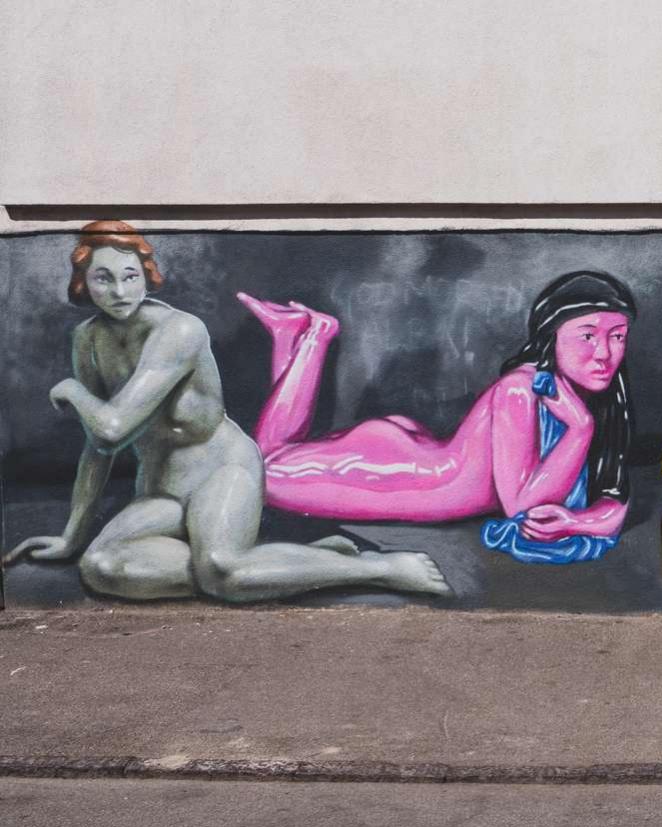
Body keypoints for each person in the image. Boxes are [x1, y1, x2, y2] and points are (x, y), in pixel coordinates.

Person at [2, 221, 450, 602]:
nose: (120, 290)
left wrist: (72, 392)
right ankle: (298, 564)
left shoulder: (178, 330)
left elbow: (113, 429)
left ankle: (382, 568)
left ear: (146, 276)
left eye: (130, 276)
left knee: (221, 567)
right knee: (101, 566)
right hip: (161, 489)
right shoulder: (88, 340)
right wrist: (71, 538)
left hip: (221, 472)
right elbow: (96, 449)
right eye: (104, 278)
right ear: (84, 280)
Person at [238, 270, 636, 564]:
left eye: (617, 336)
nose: (604, 353)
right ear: (552, 336)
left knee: (278, 457)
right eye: (587, 335)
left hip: (413, 455)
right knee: (264, 469)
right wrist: (580, 430)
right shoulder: (522, 388)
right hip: (402, 475)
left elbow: (614, 501)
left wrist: (577, 522)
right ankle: (313, 336)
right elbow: (522, 505)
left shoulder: (597, 399)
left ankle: (293, 335)